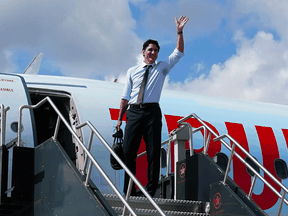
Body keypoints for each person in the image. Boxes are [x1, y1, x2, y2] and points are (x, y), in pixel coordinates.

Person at [116, 15, 189, 197]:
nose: (153, 53)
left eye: (156, 51)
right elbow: (125, 96)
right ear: (143, 52)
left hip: (152, 112)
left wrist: (179, 32)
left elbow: (179, 53)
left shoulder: (161, 68)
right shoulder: (132, 71)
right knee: (128, 152)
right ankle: (129, 189)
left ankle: (150, 189)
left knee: (153, 152)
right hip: (133, 112)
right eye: (150, 50)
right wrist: (119, 119)